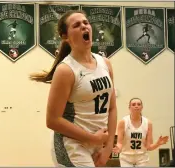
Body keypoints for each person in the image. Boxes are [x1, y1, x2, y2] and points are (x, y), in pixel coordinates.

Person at [30, 10, 117, 167]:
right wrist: (91, 138)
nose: (84, 27)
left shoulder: (105, 63)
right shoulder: (66, 70)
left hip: (97, 142)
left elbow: (112, 108)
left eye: (86, 23)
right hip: (72, 145)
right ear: (65, 36)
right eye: (77, 25)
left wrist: (108, 147)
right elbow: (52, 120)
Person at [113, 98, 169, 167]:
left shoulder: (148, 123)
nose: (136, 106)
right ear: (129, 107)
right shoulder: (123, 122)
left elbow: (149, 147)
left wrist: (158, 143)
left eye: (139, 104)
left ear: (142, 107)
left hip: (142, 158)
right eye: (133, 104)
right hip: (126, 157)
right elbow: (119, 143)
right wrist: (118, 148)